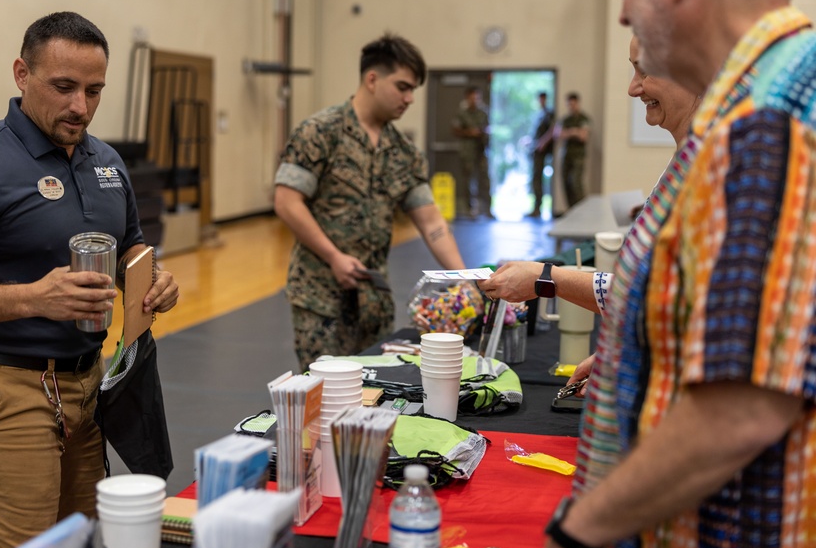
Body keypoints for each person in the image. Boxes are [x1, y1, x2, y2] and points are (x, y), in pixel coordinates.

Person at [542, 0, 816, 548]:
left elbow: (741, 408)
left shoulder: (764, 123)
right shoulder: (762, 101)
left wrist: (577, 533)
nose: (625, 9)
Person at [0, 11, 180, 548]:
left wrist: (153, 280)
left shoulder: (106, 162)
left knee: (77, 544)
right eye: (64, 87)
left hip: (86, 384)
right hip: (1, 390)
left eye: (94, 90)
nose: (80, 106)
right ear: (21, 74)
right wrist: (35, 296)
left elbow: (131, 243)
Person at [481, 33, 700, 389]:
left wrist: (546, 277)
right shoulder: (686, 160)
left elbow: (654, 298)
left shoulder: (714, 170)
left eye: (643, 72)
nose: (633, 89)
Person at [274, 33, 467, 371]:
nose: (409, 99)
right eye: (403, 87)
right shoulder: (320, 132)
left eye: (413, 91)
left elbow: (432, 222)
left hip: (374, 300)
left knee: (374, 393)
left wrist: (466, 279)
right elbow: (287, 202)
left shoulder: (404, 153)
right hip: (321, 298)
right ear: (372, 79)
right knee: (323, 394)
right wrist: (333, 256)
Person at [451, 86, 492, 218]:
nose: (475, 100)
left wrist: (483, 132)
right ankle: (470, 210)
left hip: (482, 150)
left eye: (477, 97)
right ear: (467, 98)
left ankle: (488, 209)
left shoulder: (484, 113)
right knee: (469, 180)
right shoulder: (461, 113)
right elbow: (455, 130)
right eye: (472, 97)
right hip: (467, 151)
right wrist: (470, 132)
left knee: (485, 179)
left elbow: (488, 128)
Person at [558, 92, 590, 208]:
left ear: (577, 103)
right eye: (569, 104)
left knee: (576, 183)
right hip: (566, 156)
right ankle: (571, 210)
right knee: (566, 184)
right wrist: (576, 131)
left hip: (578, 157)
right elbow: (559, 134)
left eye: (573, 104)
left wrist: (570, 132)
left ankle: (581, 210)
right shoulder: (565, 120)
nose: (571, 106)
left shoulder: (583, 119)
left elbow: (584, 136)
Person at [529, 91, 556, 218]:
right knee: (535, 179)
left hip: (542, 152)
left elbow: (552, 130)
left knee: (538, 178)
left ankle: (538, 207)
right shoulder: (539, 115)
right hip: (536, 150)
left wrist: (542, 143)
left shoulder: (549, 114)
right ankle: (536, 207)